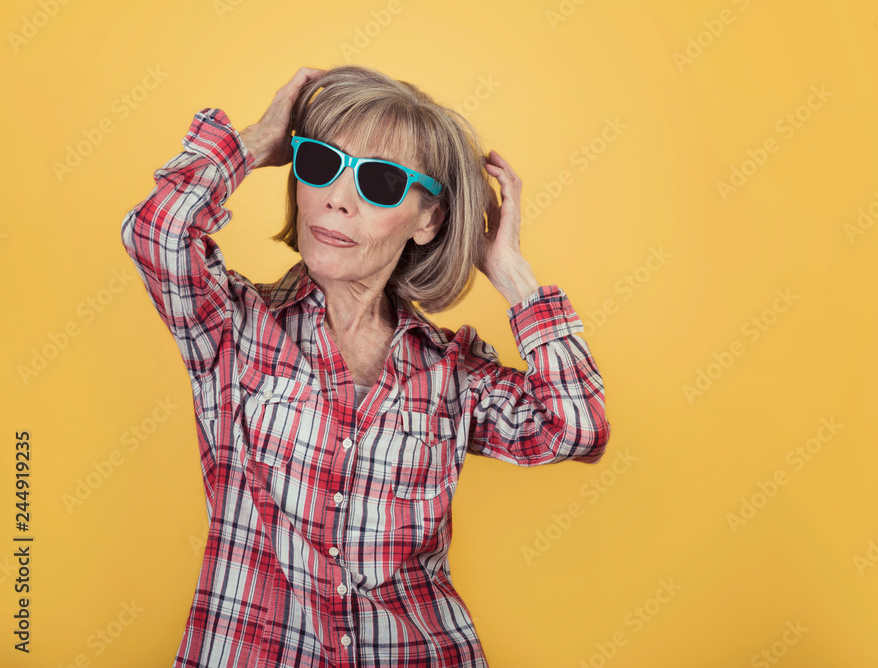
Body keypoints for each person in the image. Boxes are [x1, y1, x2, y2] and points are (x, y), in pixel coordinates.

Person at [120, 64, 611, 667]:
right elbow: (157, 232)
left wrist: (511, 273)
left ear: (428, 220)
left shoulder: (452, 373)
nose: (336, 199)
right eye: (321, 164)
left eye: (378, 182)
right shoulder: (233, 326)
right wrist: (255, 142)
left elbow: (577, 431)